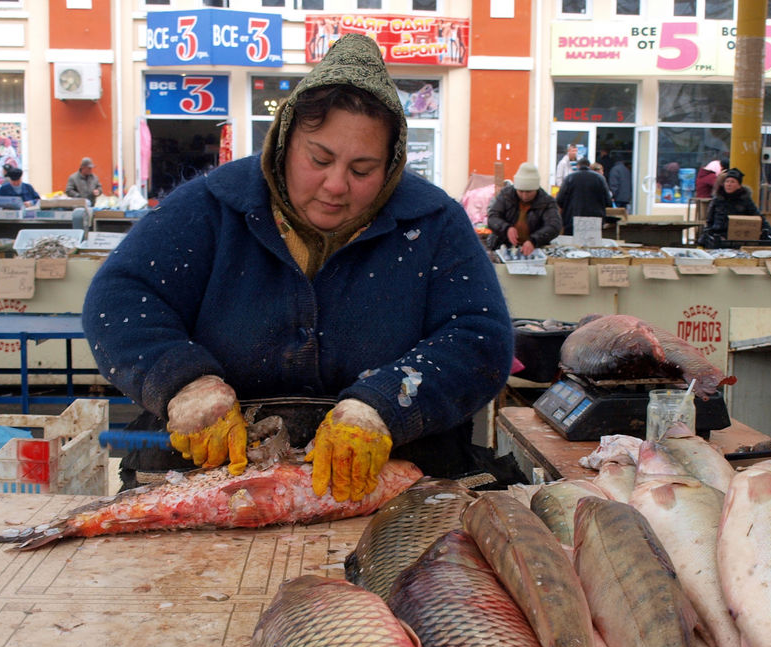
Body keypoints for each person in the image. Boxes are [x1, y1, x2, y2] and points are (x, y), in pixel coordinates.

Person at [82, 34, 515, 500]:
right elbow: (121, 298)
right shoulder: (211, 205)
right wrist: (184, 382)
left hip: (396, 475)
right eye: (319, 159)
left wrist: (384, 406)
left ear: (391, 166)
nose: (335, 185)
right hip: (213, 474)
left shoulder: (434, 221)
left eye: (363, 170)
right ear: (285, 140)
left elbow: (479, 337)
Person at [486, 162, 562, 254]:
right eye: (521, 191)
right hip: (503, 247)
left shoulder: (547, 202)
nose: (524, 196)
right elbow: (493, 217)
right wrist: (506, 228)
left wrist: (534, 240)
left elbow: (554, 226)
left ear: (536, 189)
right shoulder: (505, 196)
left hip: (534, 250)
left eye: (529, 192)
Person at [696, 167, 771, 249]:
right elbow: (709, 221)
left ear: (739, 186)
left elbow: (759, 217)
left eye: (732, 182)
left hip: (740, 239)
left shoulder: (745, 200)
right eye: (727, 181)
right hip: (719, 238)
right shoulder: (717, 200)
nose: (729, 184)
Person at [555, 156, 612, 236]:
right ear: (589, 166)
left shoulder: (569, 178)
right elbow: (608, 201)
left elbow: (559, 200)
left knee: (573, 246)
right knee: (592, 245)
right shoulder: (600, 178)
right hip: (595, 220)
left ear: (578, 166)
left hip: (572, 219)